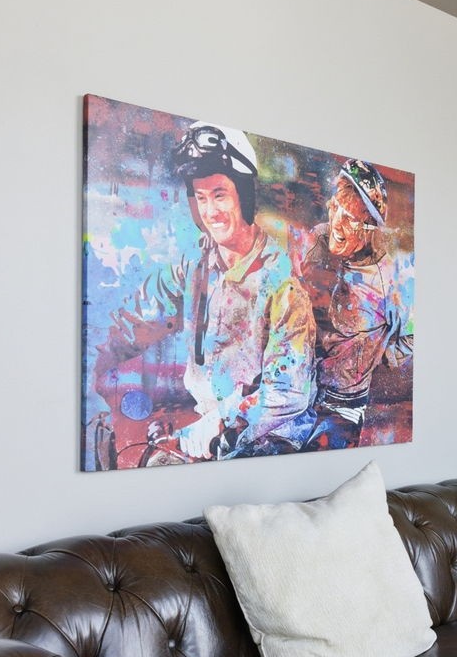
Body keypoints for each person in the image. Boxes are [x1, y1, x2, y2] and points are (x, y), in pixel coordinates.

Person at [94, 122, 315, 461]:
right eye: (201, 197)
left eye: (220, 195)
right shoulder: (195, 264)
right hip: (205, 429)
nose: (211, 211)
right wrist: (94, 370)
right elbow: (135, 318)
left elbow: (287, 392)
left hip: (270, 440)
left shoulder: (281, 285)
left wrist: (225, 420)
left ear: (245, 193)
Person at [296, 157, 413, 449]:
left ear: (370, 228)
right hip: (299, 393)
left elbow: (413, 331)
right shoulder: (316, 240)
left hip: (343, 408)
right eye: (336, 207)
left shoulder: (390, 280)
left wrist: (382, 356)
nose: (336, 222)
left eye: (349, 218)